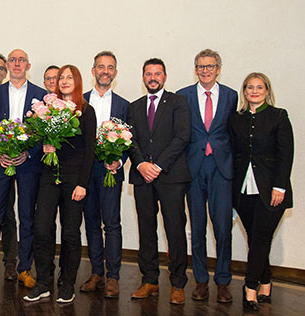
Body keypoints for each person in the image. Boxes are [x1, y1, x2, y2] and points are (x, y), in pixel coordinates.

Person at [24, 65, 97, 304]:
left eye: (69, 77)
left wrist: (83, 184)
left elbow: (89, 151)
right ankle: (43, 281)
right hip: (49, 176)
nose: (64, 81)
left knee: (70, 233)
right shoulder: (47, 110)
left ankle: (67, 282)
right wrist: (45, 145)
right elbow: (40, 138)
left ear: (77, 81)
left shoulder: (86, 111)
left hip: (74, 180)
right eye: (60, 77)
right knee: (42, 227)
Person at [126, 58, 191, 305]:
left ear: (165, 76)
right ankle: (149, 280)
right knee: (146, 230)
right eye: (148, 73)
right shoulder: (134, 106)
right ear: (143, 77)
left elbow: (182, 137)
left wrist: (158, 166)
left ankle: (177, 283)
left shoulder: (178, 102)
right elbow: (129, 140)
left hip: (171, 176)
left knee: (174, 230)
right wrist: (142, 164)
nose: (153, 77)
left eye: (157, 73)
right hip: (143, 177)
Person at [177, 49, 238, 303]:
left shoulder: (232, 96)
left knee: (223, 228)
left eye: (210, 66)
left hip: (221, 169)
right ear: (196, 69)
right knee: (198, 227)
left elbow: (235, 134)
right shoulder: (184, 96)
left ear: (218, 69)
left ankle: (223, 281)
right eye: (201, 66)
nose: (205, 70)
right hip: (194, 169)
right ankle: (201, 280)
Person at [229, 72, 293, 311]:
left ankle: (250, 287)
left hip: (271, 189)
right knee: (256, 238)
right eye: (249, 87)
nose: (254, 91)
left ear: (267, 91)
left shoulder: (278, 116)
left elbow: (286, 155)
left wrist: (280, 186)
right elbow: (233, 153)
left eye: (259, 87)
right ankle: (266, 281)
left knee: (260, 238)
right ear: (244, 92)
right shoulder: (236, 119)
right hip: (243, 189)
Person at [0, 49, 46, 289]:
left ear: (28, 66)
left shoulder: (41, 96)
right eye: (13, 60)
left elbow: (43, 132)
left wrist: (28, 152)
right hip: (1, 163)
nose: (17, 64)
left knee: (27, 216)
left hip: (28, 164)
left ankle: (24, 268)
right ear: (7, 65)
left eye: (21, 60)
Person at [80, 51, 129, 298]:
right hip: (86, 172)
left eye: (110, 67)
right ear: (93, 71)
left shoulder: (124, 105)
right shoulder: (80, 102)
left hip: (110, 171)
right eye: (101, 67)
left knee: (111, 224)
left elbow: (131, 142)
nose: (105, 71)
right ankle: (96, 272)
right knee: (90, 223)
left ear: (115, 73)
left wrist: (119, 161)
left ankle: (113, 277)